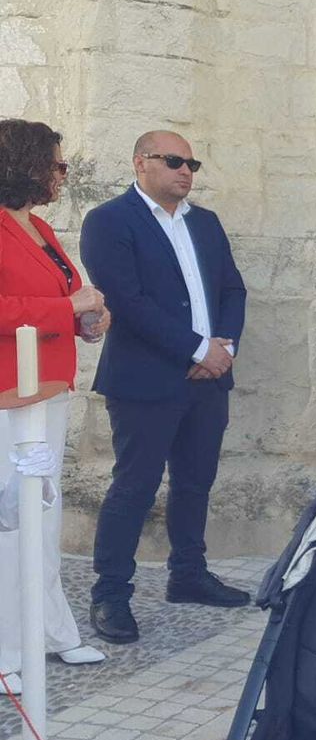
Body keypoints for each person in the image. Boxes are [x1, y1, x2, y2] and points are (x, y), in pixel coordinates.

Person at [79, 131, 249, 645]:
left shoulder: (206, 222)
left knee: (196, 481)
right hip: (146, 381)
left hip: (209, 379)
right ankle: (110, 593)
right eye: (174, 161)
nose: (186, 171)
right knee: (134, 486)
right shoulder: (109, 220)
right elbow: (127, 301)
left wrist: (223, 348)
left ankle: (188, 575)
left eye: (192, 162)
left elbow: (232, 290)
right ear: (141, 163)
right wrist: (199, 350)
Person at [0, 119, 110, 691]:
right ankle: (5, 650)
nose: (63, 174)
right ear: (24, 164)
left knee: (41, 513)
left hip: (47, 387)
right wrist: (67, 309)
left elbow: (63, 294)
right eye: (57, 163)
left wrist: (88, 316)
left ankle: (51, 633)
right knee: (8, 520)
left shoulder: (38, 226)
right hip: (8, 396)